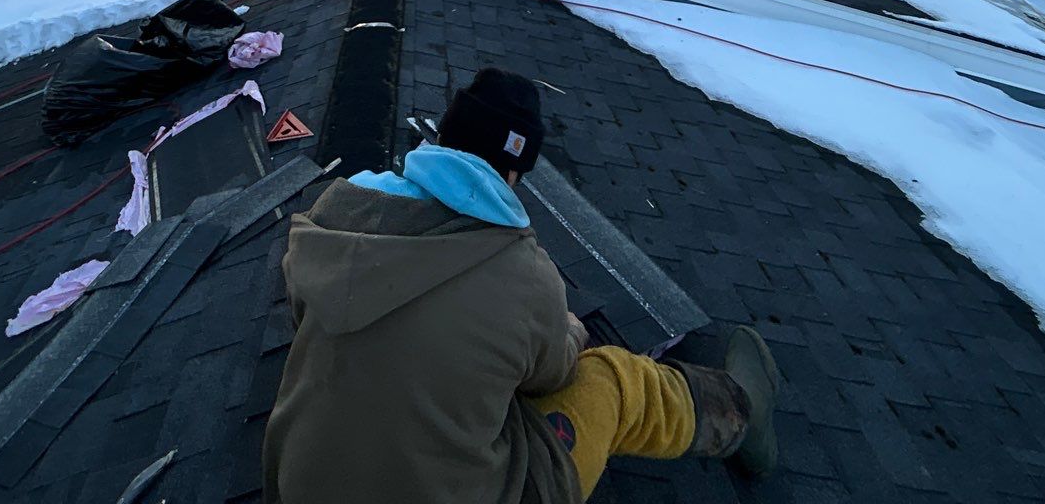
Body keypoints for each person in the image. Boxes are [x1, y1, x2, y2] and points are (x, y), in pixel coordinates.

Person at [263, 67, 779, 504]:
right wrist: (570, 331)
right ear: (513, 173)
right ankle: (739, 414)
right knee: (615, 380)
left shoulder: (332, 221)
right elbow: (551, 375)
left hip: (297, 484)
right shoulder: (521, 275)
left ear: (444, 138)